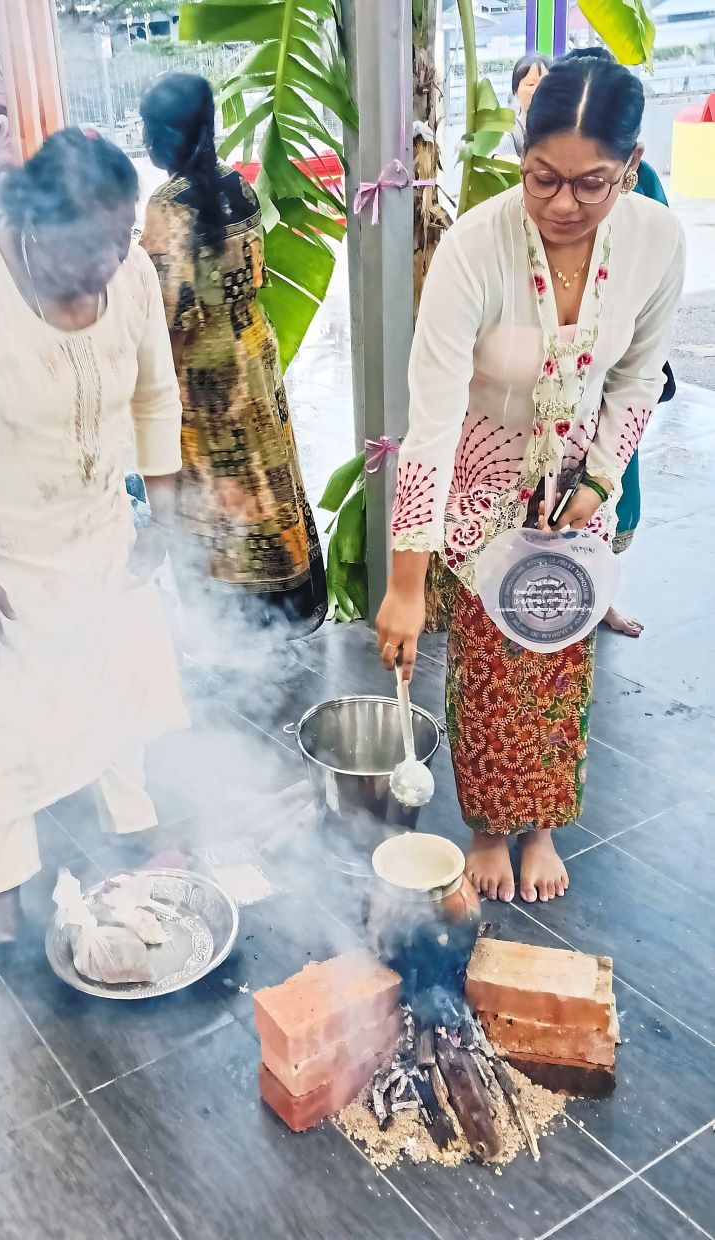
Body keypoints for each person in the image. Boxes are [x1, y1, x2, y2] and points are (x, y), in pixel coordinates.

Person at [376, 51, 684, 904]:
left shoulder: (656, 239)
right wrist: (405, 583)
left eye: (591, 184)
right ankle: (484, 828)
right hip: (478, 471)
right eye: (541, 176)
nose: (561, 204)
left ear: (629, 165)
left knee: (557, 656)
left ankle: (542, 825)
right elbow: (429, 423)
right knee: (485, 661)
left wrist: (595, 485)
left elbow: (633, 382)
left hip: (575, 480)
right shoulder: (475, 248)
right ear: (522, 155)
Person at [0, 129, 188, 942]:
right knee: (1, 716)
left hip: (96, 526)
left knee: (117, 676)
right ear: (28, 222)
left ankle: (131, 822)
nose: (107, 262)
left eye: (120, 237)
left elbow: (156, 396)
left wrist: (159, 517)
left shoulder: (128, 274)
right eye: (86, 244)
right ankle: (2, 884)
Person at [138, 73, 327, 636]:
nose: (147, 143)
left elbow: (162, 306)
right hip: (252, 353)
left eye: (150, 131)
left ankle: (234, 619)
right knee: (268, 479)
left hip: (203, 373)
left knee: (217, 493)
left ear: (169, 135)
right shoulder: (237, 186)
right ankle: (288, 599)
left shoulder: (169, 205)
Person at [499, 54, 552, 159]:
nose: (539, 89)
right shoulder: (510, 136)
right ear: (515, 90)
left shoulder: (569, 129)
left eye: (546, 83)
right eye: (531, 84)